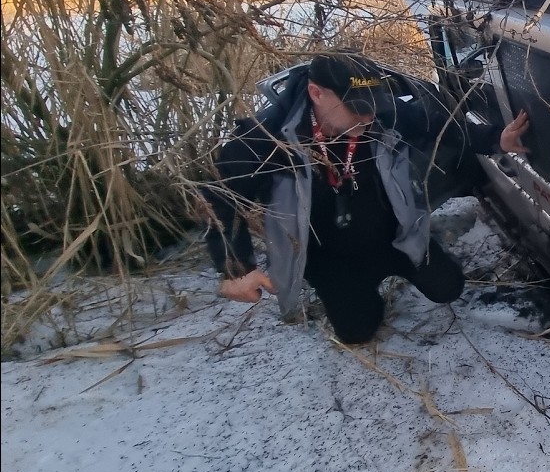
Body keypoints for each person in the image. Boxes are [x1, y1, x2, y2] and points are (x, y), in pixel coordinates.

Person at [202, 51, 530, 344]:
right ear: (316, 93)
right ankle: (355, 297)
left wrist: (495, 139)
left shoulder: (381, 115)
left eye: (373, 104)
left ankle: (411, 263)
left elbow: (437, 127)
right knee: (357, 331)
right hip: (330, 258)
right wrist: (236, 268)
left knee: (448, 287)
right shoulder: (264, 139)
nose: (369, 117)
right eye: (357, 108)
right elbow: (221, 199)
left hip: (394, 239)